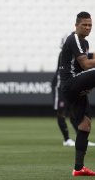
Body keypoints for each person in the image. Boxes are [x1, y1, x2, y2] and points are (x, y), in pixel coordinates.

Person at [59, 11, 95, 176]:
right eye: (84, 25)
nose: (87, 28)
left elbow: (89, 57)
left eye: (90, 25)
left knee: (85, 125)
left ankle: (78, 168)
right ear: (76, 25)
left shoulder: (83, 42)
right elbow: (87, 64)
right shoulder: (73, 38)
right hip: (71, 84)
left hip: (75, 89)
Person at [52, 35, 95, 147]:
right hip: (60, 86)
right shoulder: (64, 54)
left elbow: (89, 56)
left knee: (73, 113)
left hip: (69, 86)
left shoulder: (75, 52)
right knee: (61, 112)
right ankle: (66, 139)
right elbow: (85, 62)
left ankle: (79, 138)